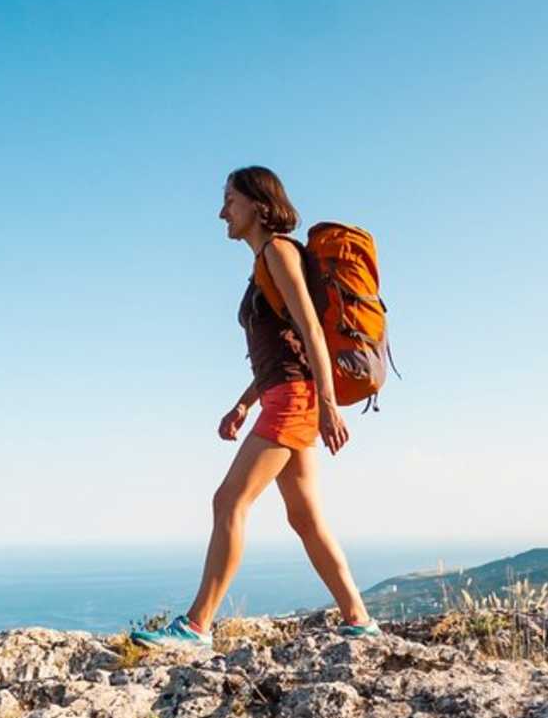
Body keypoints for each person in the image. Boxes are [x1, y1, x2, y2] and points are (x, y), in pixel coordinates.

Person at [131, 166, 381, 647]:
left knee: (229, 501)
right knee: (304, 518)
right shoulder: (264, 262)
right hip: (283, 394)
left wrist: (328, 404)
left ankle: (197, 625)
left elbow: (311, 331)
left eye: (230, 200)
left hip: (294, 399)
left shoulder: (279, 252)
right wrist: (243, 404)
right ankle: (360, 619)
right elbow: (283, 349)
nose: (222, 212)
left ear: (259, 206)